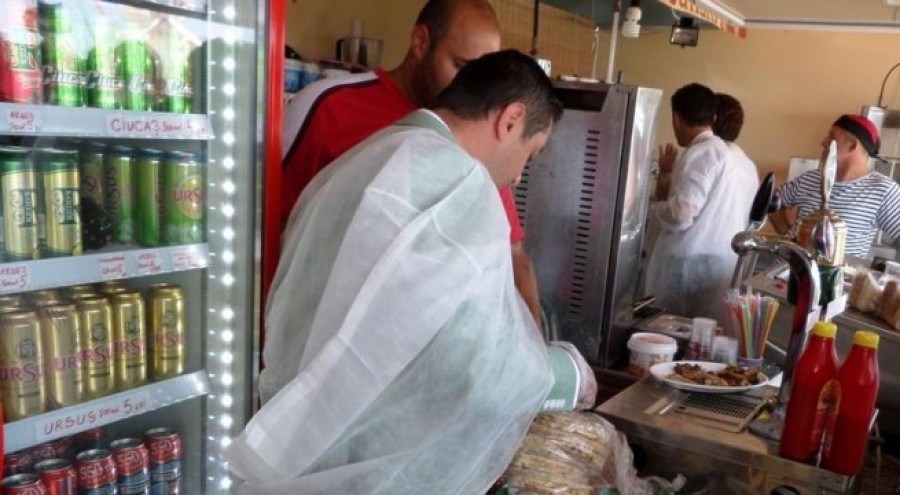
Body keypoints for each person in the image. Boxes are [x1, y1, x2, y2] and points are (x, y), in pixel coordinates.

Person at [225, 50, 596, 494]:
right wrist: (561, 375)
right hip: (372, 463)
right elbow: (474, 367)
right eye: (529, 155)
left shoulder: (361, 159)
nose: (518, 176)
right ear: (511, 120)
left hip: (300, 440)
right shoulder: (460, 185)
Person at [280, 0, 544, 326]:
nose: (476, 90)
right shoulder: (329, 106)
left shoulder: (480, 140)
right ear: (421, 42)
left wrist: (534, 348)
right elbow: (271, 226)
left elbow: (511, 254)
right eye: (461, 67)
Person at [643, 83, 757, 324]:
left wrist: (645, 208)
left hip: (692, 267)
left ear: (676, 118)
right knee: (703, 333)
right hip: (722, 264)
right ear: (712, 117)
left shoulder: (703, 153)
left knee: (674, 329)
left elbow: (681, 214)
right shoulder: (738, 158)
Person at [770, 114, 900, 257]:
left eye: (832, 136)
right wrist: (788, 233)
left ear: (852, 145)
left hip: (840, 271)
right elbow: (774, 203)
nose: (823, 142)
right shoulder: (809, 178)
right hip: (793, 268)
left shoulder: (884, 190)